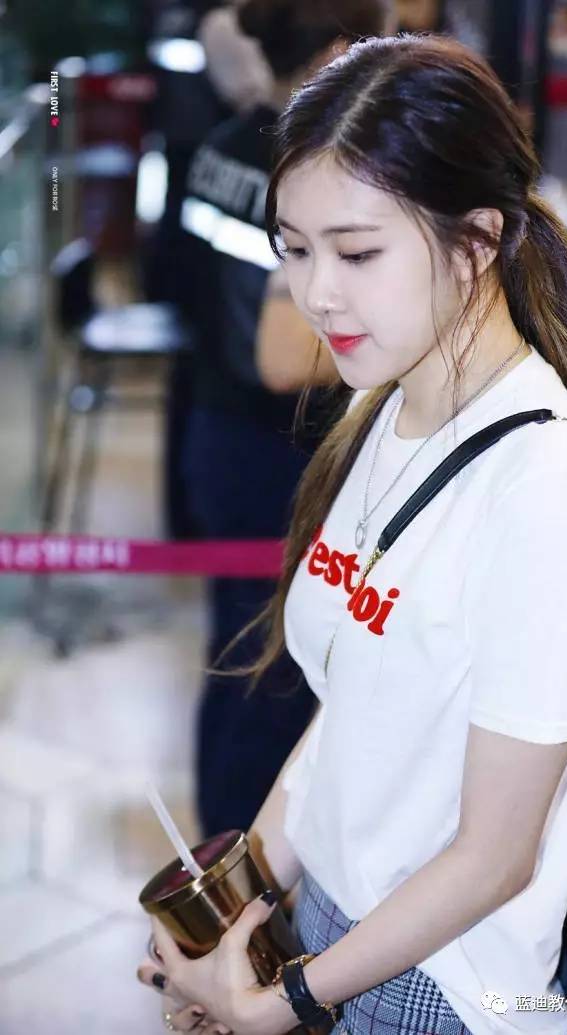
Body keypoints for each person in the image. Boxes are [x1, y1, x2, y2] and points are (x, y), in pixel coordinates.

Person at [138, 33, 567, 1035]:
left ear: (477, 241)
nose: (317, 293)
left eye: (358, 252)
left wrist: (289, 999)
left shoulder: (546, 487)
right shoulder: (388, 405)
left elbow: (496, 857)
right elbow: (349, 710)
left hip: (441, 986)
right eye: (295, 248)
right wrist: (240, 916)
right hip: (331, 925)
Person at [176, 0, 390, 841]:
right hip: (274, 452)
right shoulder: (310, 167)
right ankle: (242, 869)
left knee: (237, 653)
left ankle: (219, 853)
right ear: (339, 51)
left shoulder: (226, 142)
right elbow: (284, 357)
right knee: (274, 672)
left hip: (213, 429)